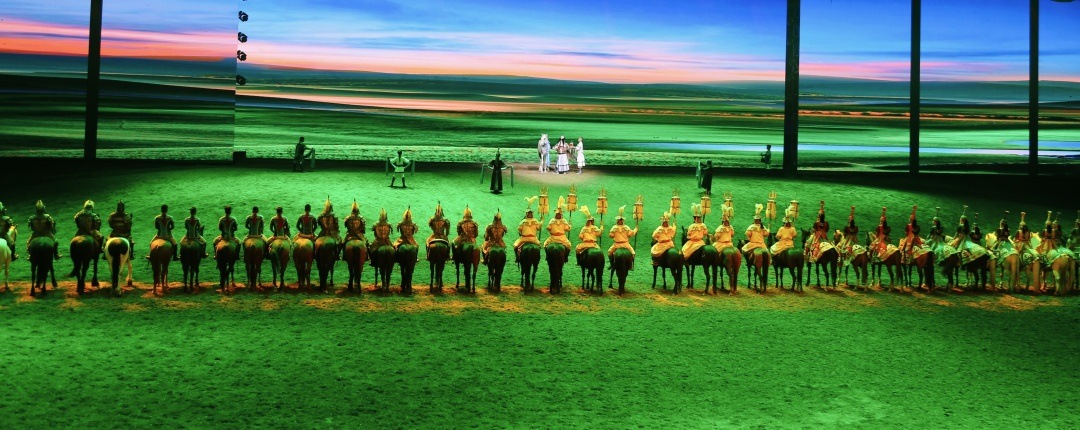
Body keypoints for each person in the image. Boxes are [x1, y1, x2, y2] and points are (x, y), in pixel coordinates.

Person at [513, 197, 542, 261]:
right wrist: (540, 223)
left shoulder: (523, 221)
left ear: (526, 214)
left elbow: (519, 229)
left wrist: (521, 233)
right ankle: (538, 258)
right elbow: (538, 228)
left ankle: (517, 258)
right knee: (539, 246)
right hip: (533, 239)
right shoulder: (535, 221)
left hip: (524, 238)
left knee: (515, 246)